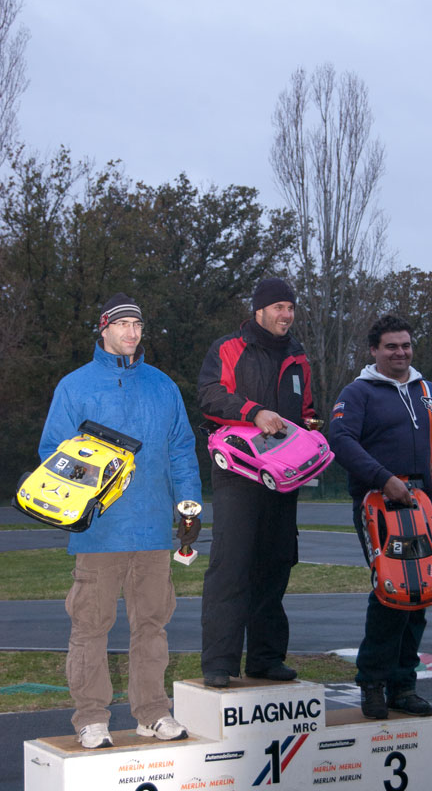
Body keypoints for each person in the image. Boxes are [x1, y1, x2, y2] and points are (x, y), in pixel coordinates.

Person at [39, 293, 202, 749]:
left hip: (151, 529)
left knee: (152, 624)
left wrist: (188, 507)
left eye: (138, 325)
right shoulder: (75, 386)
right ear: (104, 328)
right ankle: (91, 718)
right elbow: (52, 453)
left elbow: (181, 451)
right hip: (99, 532)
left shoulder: (163, 386)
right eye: (123, 324)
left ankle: (152, 712)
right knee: (91, 626)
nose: (132, 332)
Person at [329, 314, 432, 719]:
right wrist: (383, 478)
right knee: (392, 589)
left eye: (405, 345)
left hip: (426, 503)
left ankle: (403, 685)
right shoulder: (357, 394)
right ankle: (372, 682)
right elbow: (340, 440)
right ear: (374, 350)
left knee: (420, 591)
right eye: (391, 346)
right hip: (379, 503)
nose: (400, 353)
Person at [198, 277, 317, 688]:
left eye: (291, 307)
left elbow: (306, 411)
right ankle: (219, 663)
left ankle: (266, 659)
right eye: (279, 307)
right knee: (230, 567)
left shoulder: (299, 357)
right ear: (259, 310)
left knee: (276, 565)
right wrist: (253, 412)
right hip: (236, 474)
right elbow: (209, 396)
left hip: (282, 479)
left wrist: (311, 437)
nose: (287, 315)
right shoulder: (229, 347)